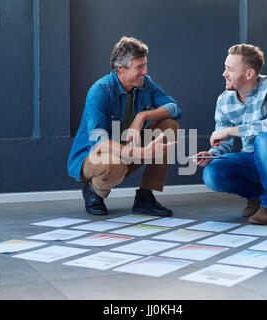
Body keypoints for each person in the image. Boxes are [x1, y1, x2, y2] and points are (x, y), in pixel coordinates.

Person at [68, 36, 182, 217]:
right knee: (115, 165)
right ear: (120, 68)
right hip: (94, 156)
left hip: (127, 149)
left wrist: (142, 115)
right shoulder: (100, 90)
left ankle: (145, 197)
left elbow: (175, 108)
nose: (145, 71)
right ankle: (94, 192)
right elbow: (100, 143)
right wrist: (145, 153)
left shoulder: (145, 84)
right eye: (139, 67)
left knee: (169, 125)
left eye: (145, 65)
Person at [193, 44, 267, 225]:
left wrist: (230, 131)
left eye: (230, 69)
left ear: (249, 74)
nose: (224, 73)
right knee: (212, 173)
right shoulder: (224, 100)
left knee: (265, 138)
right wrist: (212, 154)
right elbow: (224, 145)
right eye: (225, 68)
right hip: (251, 160)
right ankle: (256, 195)